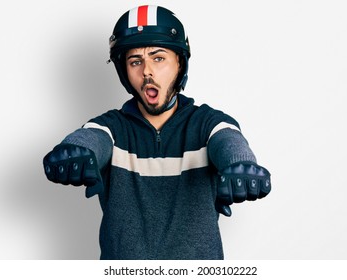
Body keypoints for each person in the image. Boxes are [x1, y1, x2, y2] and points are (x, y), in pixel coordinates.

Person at [43, 5, 271, 260]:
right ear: (124, 71)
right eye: (135, 61)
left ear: (179, 63)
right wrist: (75, 150)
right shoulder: (112, 127)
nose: (147, 71)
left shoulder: (207, 123)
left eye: (158, 58)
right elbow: (91, 137)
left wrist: (240, 163)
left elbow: (229, 140)